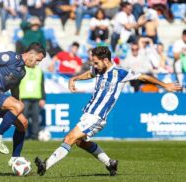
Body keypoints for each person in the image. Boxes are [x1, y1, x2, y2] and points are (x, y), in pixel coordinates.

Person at [35, 46, 182, 176]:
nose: (95, 66)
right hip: (88, 113)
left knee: (69, 138)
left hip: (97, 117)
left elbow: (143, 77)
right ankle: (110, 163)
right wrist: (74, 79)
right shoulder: (98, 69)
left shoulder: (120, 73)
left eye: (96, 62)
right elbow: (89, 74)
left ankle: (45, 166)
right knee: (80, 142)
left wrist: (165, 85)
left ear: (106, 60)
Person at [0, 42, 46, 165]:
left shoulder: (22, 72)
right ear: (30, 54)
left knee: (23, 124)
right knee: (19, 106)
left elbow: (14, 88)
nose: (37, 64)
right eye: (37, 60)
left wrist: (17, 103)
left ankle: (15, 158)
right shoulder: (12, 57)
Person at [19, 64, 45, 140]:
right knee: (24, 117)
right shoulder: (22, 69)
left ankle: (35, 135)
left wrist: (43, 98)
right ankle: (24, 135)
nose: (34, 62)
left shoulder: (39, 70)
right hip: (24, 97)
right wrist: (18, 97)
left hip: (36, 97)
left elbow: (42, 85)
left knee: (36, 118)